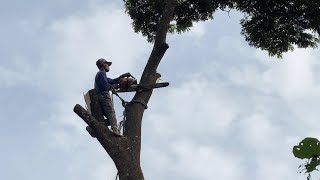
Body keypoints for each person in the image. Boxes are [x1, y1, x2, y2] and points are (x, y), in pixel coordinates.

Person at [94, 58, 131, 136]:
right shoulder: (101, 73)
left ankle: (92, 128)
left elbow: (112, 81)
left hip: (100, 98)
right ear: (104, 64)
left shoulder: (101, 75)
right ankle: (115, 130)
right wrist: (118, 85)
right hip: (104, 96)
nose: (109, 66)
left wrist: (122, 76)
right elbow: (105, 86)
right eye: (107, 64)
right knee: (111, 113)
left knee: (109, 118)